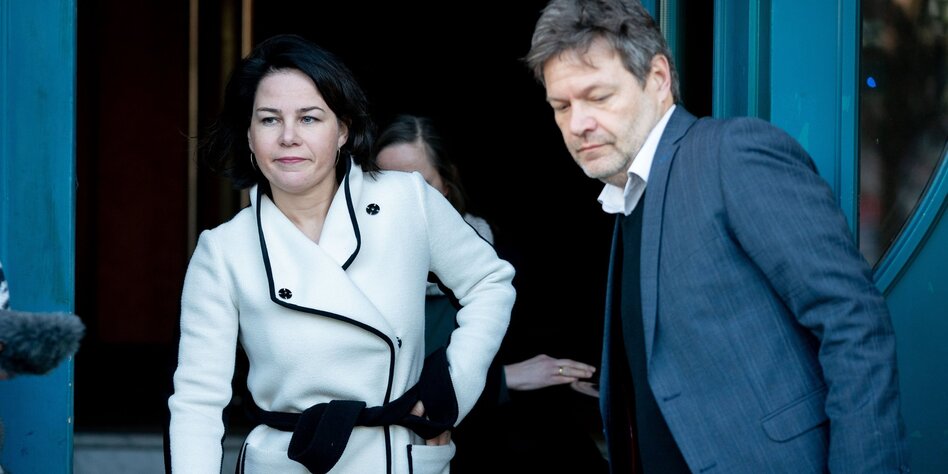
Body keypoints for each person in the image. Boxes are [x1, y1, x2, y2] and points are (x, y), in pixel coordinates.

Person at [525, 1, 909, 472]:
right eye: (561, 106)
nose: (577, 124)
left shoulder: (731, 154)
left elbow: (852, 320)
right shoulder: (628, 199)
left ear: (658, 79)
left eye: (598, 97)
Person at [167, 34, 516, 474]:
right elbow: (197, 399)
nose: (289, 137)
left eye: (309, 118)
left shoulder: (406, 201)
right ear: (249, 135)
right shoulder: (223, 250)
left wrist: (451, 388)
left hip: (398, 456)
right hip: (286, 461)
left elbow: (489, 282)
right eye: (270, 120)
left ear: (343, 130)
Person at [375, 114, 606, 473]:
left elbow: (541, 353)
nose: (405, 201)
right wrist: (504, 378)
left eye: (420, 184)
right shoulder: (357, 274)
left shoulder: (499, 257)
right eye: (387, 184)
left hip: (495, 443)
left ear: (446, 184)